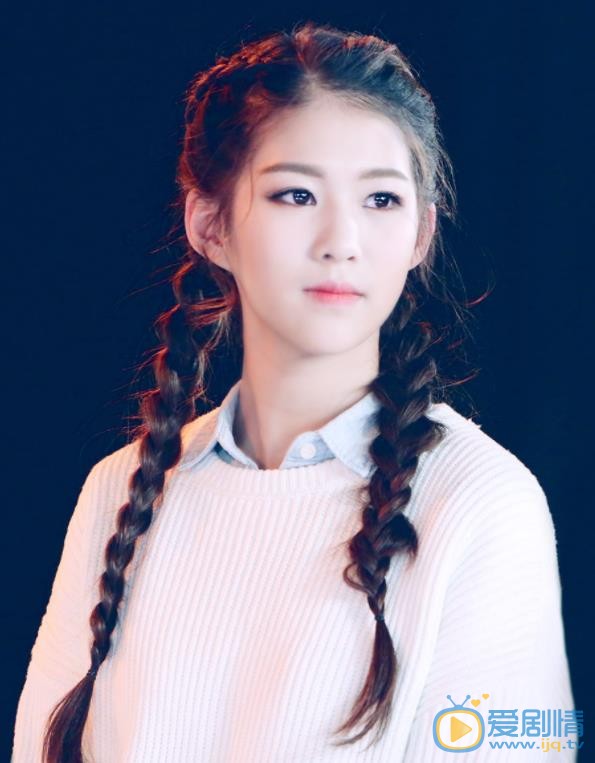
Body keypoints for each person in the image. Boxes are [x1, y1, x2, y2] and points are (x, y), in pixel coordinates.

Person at [12, 20, 576, 763]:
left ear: (420, 235)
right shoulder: (117, 491)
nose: (341, 240)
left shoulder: (481, 501)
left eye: (381, 200)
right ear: (210, 224)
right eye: (296, 194)